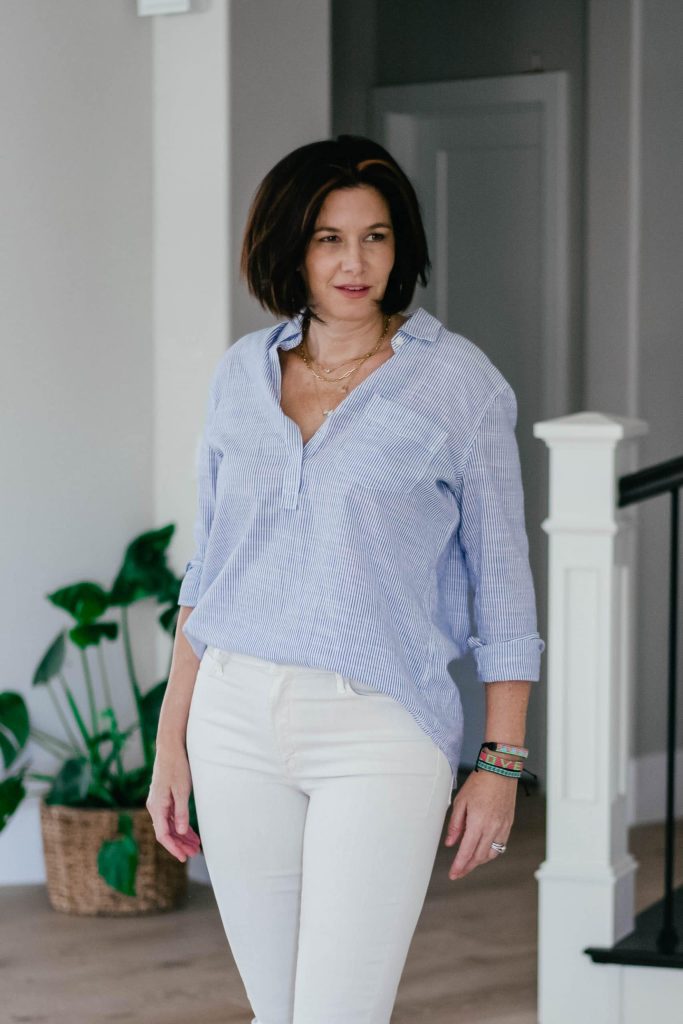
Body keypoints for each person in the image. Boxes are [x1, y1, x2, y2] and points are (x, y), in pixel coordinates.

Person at [147, 134, 545, 1024]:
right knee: (277, 1013)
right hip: (233, 721)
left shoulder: (459, 386)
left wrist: (500, 763)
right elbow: (208, 571)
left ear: (400, 248)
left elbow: (504, 585)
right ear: (291, 247)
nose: (353, 262)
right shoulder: (239, 376)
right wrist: (172, 739)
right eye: (328, 238)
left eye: (374, 237)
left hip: (378, 728)